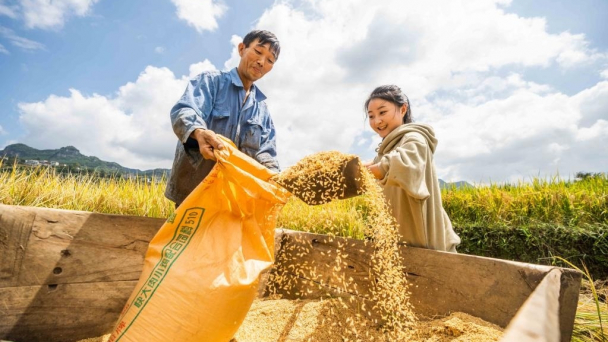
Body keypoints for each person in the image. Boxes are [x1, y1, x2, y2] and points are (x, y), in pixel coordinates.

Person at [165, 30, 281, 207]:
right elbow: (185, 110)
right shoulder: (211, 82)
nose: (261, 61)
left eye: (270, 60)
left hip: (233, 201)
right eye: (258, 52)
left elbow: (266, 153)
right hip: (193, 194)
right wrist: (199, 132)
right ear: (242, 49)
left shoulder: (262, 110)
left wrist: (277, 179)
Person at [364, 85, 461, 252]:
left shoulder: (415, 139)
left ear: (403, 109)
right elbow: (374, 167)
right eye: (371, 116)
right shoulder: (385, 150)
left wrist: (358, 172)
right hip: (399, 246)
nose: (376, 121)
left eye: (382, 112)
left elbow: (396, 165)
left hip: (426, 246)